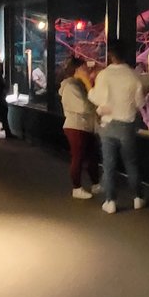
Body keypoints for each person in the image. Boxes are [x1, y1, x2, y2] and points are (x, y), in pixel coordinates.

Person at [88, 41, 146, 213]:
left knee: (109, 164)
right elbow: (140, 102)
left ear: (111, 56)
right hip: (127, 126)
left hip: (108, 125)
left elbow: (97, 98)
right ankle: (138, 198)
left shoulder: (104, 75)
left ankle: (110, 201)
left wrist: (90, 90)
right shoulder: (133, 76)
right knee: (131, 163)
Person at [59, 57, 102, 199]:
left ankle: (95, 183)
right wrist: (95, 107)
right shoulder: (71, 86)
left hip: (86, 126)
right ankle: (77, 187)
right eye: (84, 67)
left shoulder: (78, 84)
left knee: (91, 156)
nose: (87, 70)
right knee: (78, 157)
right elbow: (84, 106)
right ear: (76, 69)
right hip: (76, 126)